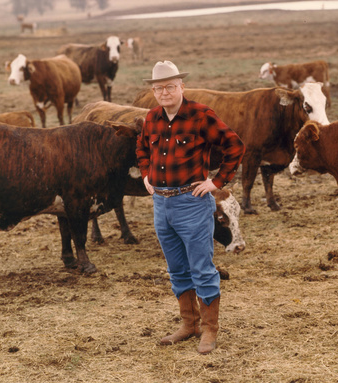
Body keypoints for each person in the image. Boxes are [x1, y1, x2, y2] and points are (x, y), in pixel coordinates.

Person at [136, 60, 245, 354]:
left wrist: (217, 181)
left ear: (182, 87)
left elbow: (234, 145)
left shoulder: (201, 116)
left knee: (201, 268)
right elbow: (142, 148)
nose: (164, 92)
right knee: (177, 268)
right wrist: (146, 173)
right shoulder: (151, 118)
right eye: (159, 88)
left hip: (192, 203)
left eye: (170, 86)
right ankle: (189, 324)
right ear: (154, 91)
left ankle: (209, 329)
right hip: (162, 204)